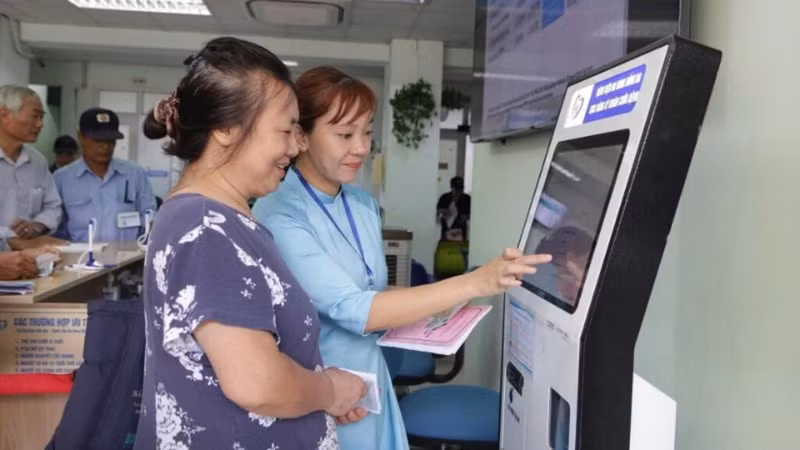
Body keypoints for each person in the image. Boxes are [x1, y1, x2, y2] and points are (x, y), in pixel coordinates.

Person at [252, 66, 552, 450]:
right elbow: (354, 308)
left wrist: (449, 300)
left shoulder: (361, 203)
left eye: (367, 131)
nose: (361, 147)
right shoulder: (279, 212)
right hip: (319, 391)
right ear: (301, 136)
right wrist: (473, 281)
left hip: (371, 383)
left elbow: (370, 288)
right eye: (345, 134)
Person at [135, 38, 366, 450]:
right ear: (225, 128)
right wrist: (327, 390)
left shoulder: (220, 219)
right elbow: (257, 382)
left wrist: (314, 391)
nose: (296, 146)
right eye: (285, 130)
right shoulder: (205, 228)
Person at [54, 108, 157, 242]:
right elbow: (56, 228)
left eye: (110, 141)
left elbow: (150, 216)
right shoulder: (62, 179)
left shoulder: (134, 174)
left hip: (128, 258)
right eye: (98, 140)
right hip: (79, 260)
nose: (105, 147)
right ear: (81, 137)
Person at [0, 85, 63, 242]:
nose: (40, 125)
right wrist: (12, 238)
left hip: (31, 260)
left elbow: (53, 206)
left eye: (41, 117)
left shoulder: (38, 162)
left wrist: (37, 226)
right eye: (35, 117)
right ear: (4, 115)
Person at [436, 175, 471, 241]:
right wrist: (443, 212)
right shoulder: (444, 197)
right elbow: (437, 212)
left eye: (461, 188)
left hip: (461, 230)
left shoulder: (467, 199)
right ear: (451, 187)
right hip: (447, 230)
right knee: (445, 249)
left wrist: (466, 216)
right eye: (456, 189)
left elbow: (473, 214)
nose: (459, 191)